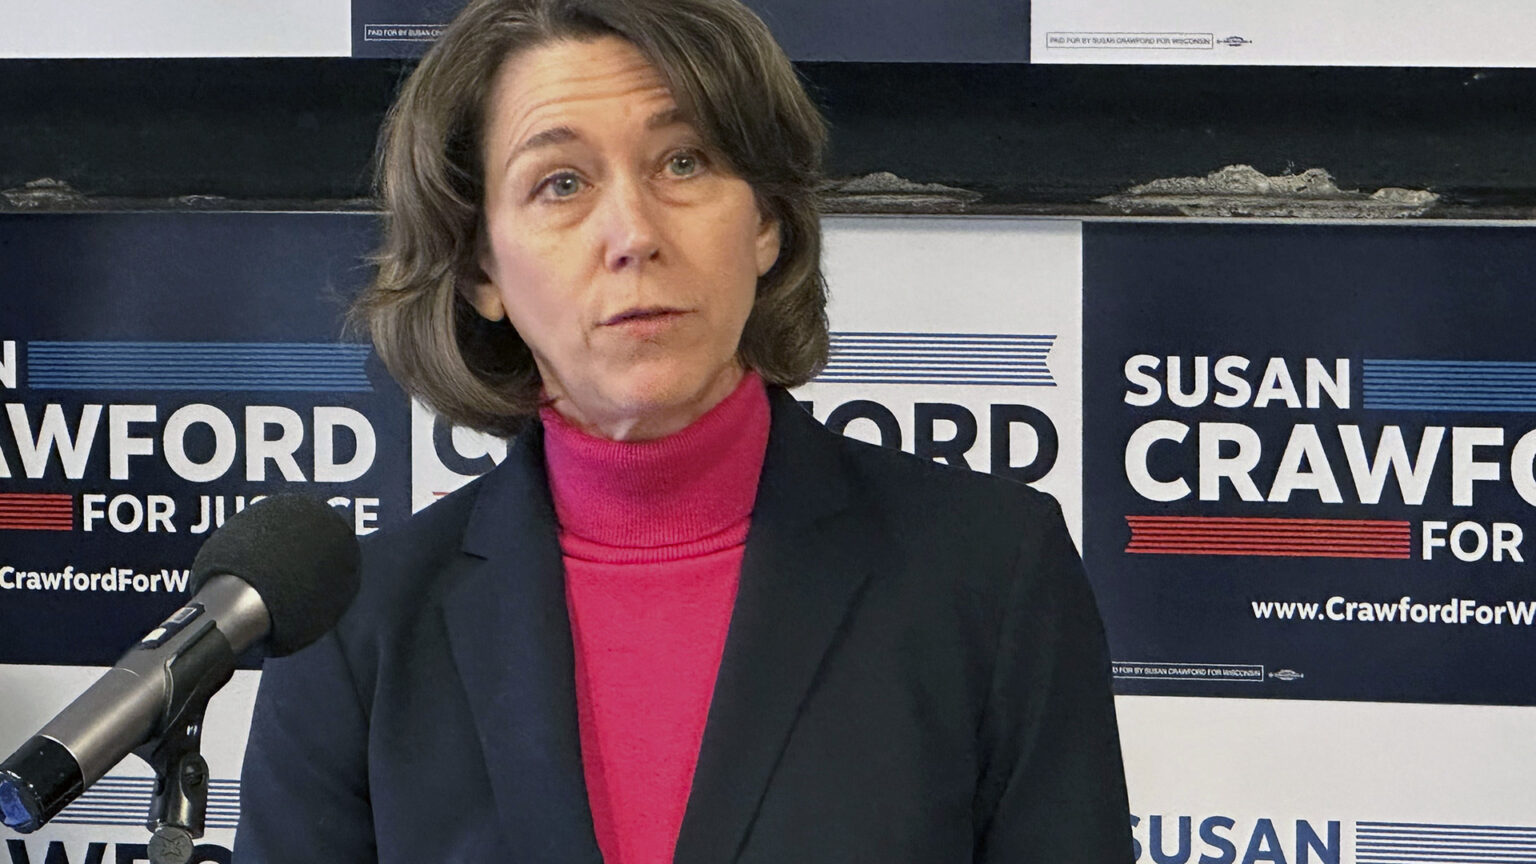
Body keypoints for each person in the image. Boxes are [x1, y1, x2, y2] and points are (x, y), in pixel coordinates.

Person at [234, 0, 1132, 861]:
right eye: (561, 183)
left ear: (767, 223)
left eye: (685, 163)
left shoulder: (991, 574)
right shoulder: (354, 636)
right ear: (482, 272)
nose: (632, 231)